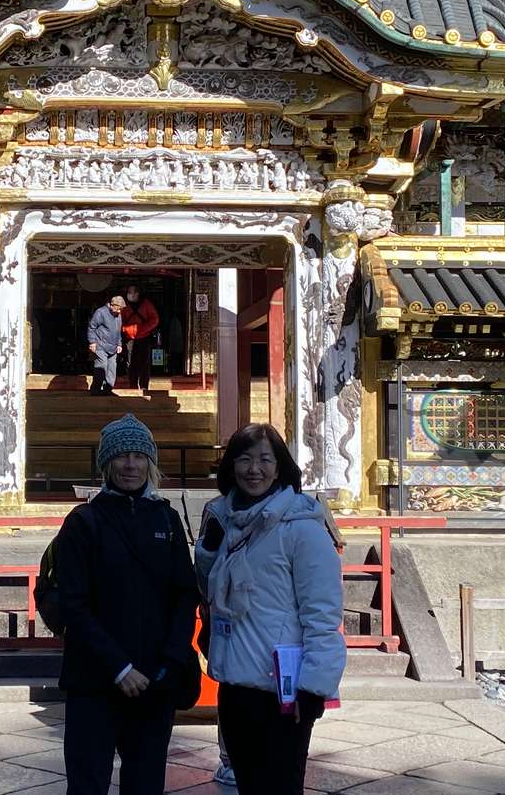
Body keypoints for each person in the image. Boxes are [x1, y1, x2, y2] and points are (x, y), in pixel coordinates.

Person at [194, 424, 344, 795]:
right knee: (248, 785)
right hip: (235, 684)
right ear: (231, 467)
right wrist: (208, 550)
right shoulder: (224, 520)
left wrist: (314, 687)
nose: (253, 469)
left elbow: (322, 614)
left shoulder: (301, 527)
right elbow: (211, 592)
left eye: (264, 459)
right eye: (244, 459)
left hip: (283, 692)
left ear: (280, 468)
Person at [54, 414, 200, 795]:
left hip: (155, 678)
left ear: (150, 462)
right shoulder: (83, 523)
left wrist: (170, 660)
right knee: (88, 783)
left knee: (146, 782)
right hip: (95, 678)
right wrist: (119, 668)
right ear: (106, 463)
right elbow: (74, 603)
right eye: (121, 456)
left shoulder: (166, 519)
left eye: (139, 455)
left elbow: (185, 593)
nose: (131, 464)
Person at [121, 283, 160, 393]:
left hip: (144, 336)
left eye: (133, 293)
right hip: (129, 338)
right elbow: (119, 320)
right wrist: (125, 329)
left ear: (138, 293)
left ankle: (144, 386)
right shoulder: (124, 305)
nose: (131, 295)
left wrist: (143, 329)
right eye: (129, 293)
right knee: (130, 362)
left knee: (144, 362)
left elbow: (155, 319)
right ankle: (132, 384)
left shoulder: (146, 304)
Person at [86, 294, 125, 395]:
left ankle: (108, 389)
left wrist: (119, 344)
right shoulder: (101, 312)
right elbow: (92, 327)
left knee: (112, 369)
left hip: (113, 347)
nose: (120, 311)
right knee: (101, 366)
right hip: (101, 345)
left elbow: (118, 331)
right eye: (118, 309)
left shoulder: (118, 315)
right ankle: (96, 390)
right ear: (112, 305)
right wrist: (92, 342)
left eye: (121, 309)